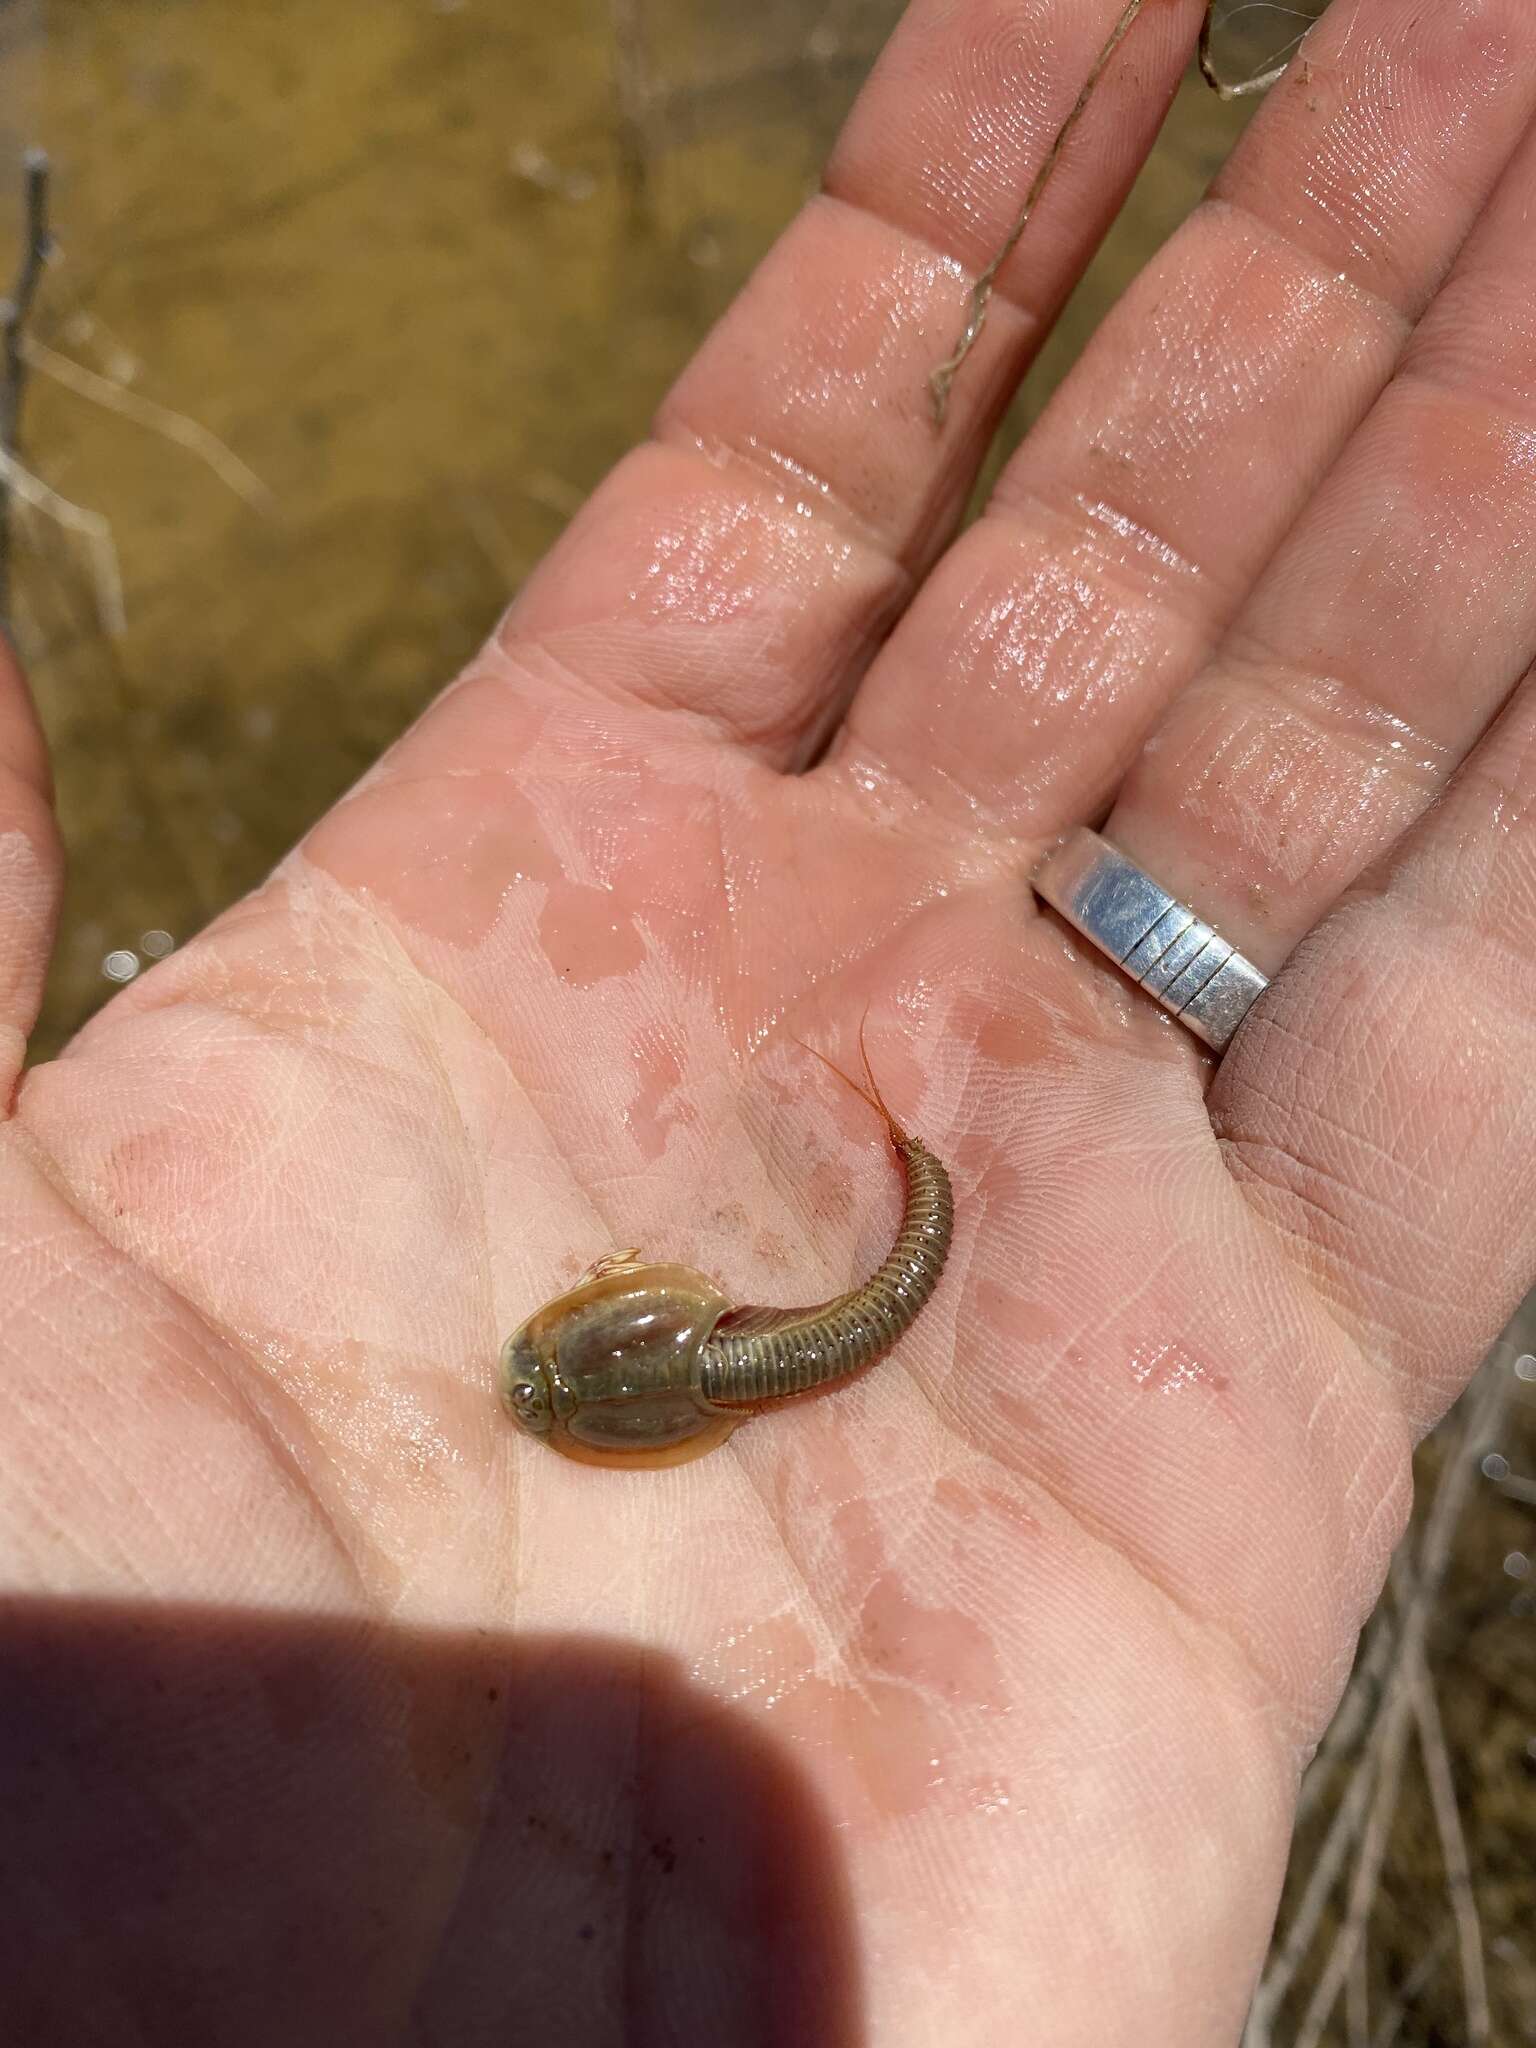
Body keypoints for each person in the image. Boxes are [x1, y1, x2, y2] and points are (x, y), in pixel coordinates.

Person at [1, 0, 1532, 2040]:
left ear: (633, 1337)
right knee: (864, 1292)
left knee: (869, 1288)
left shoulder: (634, 1367)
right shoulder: (658, 1360)